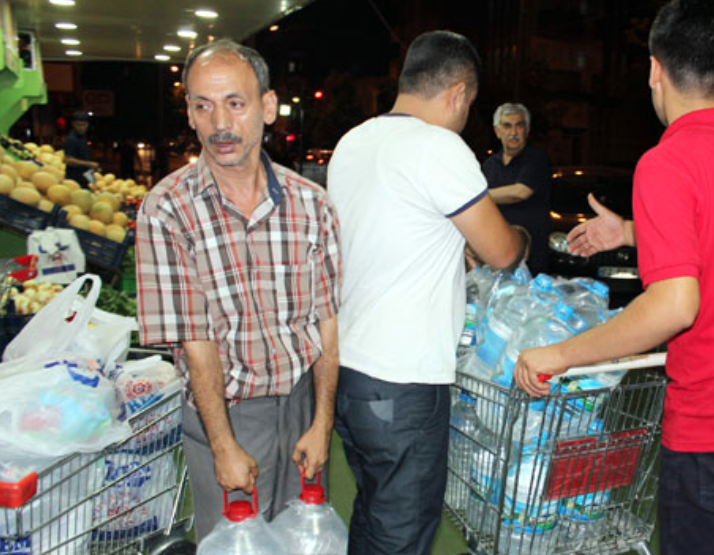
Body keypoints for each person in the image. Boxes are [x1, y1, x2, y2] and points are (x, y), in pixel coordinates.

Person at [513, 1, 714, 554]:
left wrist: (560, 354)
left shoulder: (667, 162)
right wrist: (633, 232)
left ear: (655, 69)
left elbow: (675, 306)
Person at [326, 30, 526, 555]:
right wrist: (522, 237)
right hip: (404, 381)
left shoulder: (354, 142)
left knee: (373, 516)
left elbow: (390, 234)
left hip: (348, 373)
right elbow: (502, 251)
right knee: (402, 531)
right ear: (458, 92)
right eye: (471, 105)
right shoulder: (438, 146)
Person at [135, 39, 342, 540]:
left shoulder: (311, 205)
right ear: (189, 113)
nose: (220, 124)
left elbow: (327, 323)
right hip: (225, 410)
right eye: (203, 105)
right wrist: (223, 444)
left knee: (303, 540)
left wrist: (322, 423)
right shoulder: (167, 210)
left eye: (235, 103)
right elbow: (196, 341)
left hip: (300, 407)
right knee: (233, 545)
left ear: (267, 108)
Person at [481, 102, 551, 273]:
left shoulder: (536, 158)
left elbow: (520, 192)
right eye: (507, 126)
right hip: (495, 255)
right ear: (497, 131)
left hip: (531, 259)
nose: (513, 133)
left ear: (527, 130)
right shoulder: (490, 164)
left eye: (519, 125)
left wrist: (479, 196)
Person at [63, 111, 100, 187]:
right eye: (78, 125)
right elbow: (68, 160)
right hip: (74, 180)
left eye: (84, 125)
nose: (81, 128)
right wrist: (89, 164)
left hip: (83, 177)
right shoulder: (71, 139)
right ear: (73, 124)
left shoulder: (83, 137)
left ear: (88, 125)